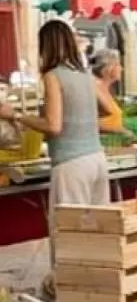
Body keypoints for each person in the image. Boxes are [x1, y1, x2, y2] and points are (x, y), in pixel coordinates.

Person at [0, 21, 113, 212]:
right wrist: (80, 116)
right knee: (98, 231)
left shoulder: (53, 76)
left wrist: (16, 115)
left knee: (68, 231)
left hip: (71, 163)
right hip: (97, 159)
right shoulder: (85, 74)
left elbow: (53, 126)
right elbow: (108, 109)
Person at [89, 49, 137, 143]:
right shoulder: (93, 89)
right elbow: (87, 123)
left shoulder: (105, 89)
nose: (121, 68)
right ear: (109, 68)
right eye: (118, 65)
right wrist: (122, 131)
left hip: (112, 144)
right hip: (98, 145)